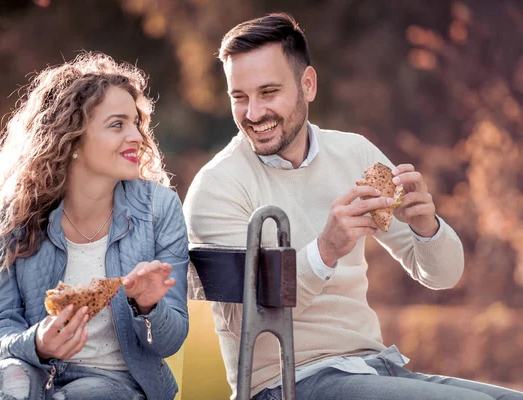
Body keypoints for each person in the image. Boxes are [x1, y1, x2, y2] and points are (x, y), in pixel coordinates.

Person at [183, 13, 523, 400]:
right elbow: (255, 320)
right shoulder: (217, 188)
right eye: (239, 97)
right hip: (286, 382)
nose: (254, 113)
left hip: (373, 366)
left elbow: (442, 276)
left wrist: (426, 228)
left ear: (307, 84)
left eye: (268, 92)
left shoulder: (353, 152)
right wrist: (325, 250)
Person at [0, 52, 189, 400]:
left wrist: (148, 306)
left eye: (136, 123)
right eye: (117, 124)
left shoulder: (160, 208)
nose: (137, 137)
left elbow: (169, 342)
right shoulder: (6, 208)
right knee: (12, 382)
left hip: (112, 383)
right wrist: (37, 343)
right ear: (72, 137)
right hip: (25, 368)